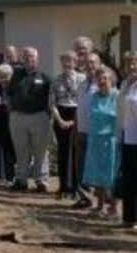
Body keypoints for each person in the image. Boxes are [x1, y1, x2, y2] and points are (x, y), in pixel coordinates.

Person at [9, 47, 52, 193]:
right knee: (21, 151)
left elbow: (51, 99)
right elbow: (8, 93)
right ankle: (21, 180)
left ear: (37, 59)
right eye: (26, 56)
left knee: (40, 150)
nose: (29, 59)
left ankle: (42, 181)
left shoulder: (45, 78)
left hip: (39, 117)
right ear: (22, 58)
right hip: (18, 117)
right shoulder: (15, 75)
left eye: (32, 57)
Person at [83, 66, 120, 218]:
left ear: (111, 79)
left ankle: (113, 208)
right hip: (95, 139)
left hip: (111, 140)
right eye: (99, 79)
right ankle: (99, 205)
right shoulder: (94, 96)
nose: (101, 81)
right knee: (97, 173)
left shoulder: (117, 96)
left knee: (112, 174)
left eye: (105, 78)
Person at [49, 51, 86, 199]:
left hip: (78, 115)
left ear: (76, 62)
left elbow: (84, 102)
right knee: (63, 152)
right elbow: (52, 103)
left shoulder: (82, 79)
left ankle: (77, 188)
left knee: (76, 153)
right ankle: (64, 186)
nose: (67, 64)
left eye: (70, 61)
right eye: (64, 61)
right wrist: (60, 120)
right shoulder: (56, 80)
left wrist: (75, 120)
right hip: (61, 115)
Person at [72, 51, 103, 209]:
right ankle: (84, 198)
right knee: (81, 167)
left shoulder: (103, 83)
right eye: (88, 63)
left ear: (99, 64)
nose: (90, 65)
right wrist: (76, 129)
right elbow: (79, 108)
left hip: (96, 133)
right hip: (82, 131)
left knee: (96, 168)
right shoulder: (82, 83)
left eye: (93, 62)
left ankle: (100, 203)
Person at [118, 51, 137, 230]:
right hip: (128, 137)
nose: (132, 67)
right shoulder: (125, 84)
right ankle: (129, 217)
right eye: (129, 64)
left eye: (134, 63)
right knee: (129, 179)